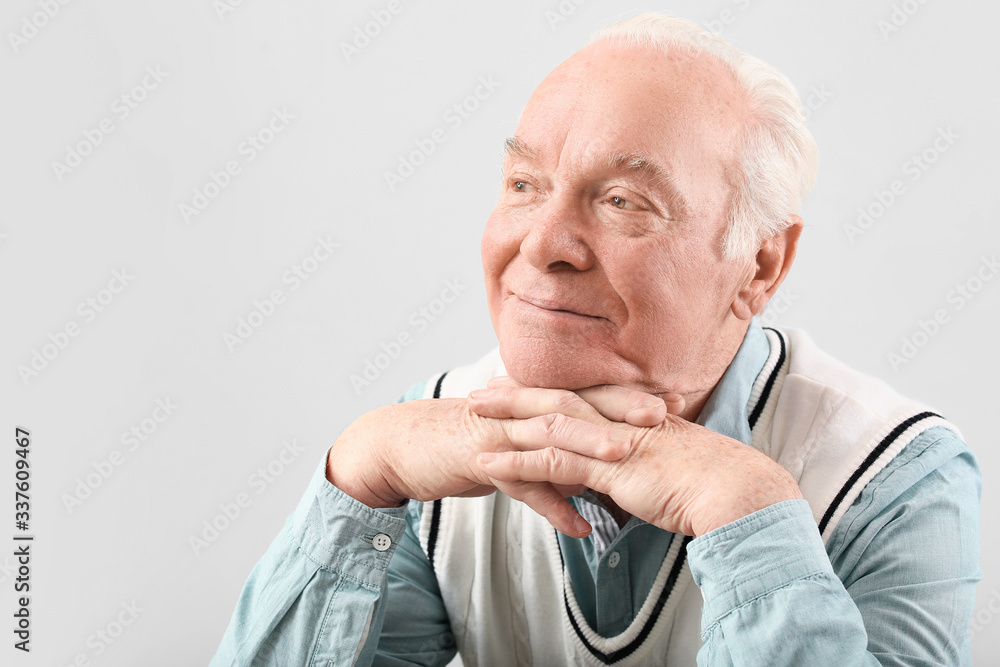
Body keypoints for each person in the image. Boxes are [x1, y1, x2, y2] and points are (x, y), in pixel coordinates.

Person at [210, 12, 981, 666]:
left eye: (621, 199)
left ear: (759, 264)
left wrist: (746, 509)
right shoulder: (428, 444)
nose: (543, 243)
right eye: (524, 185)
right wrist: (359, 472)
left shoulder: (894, 476)